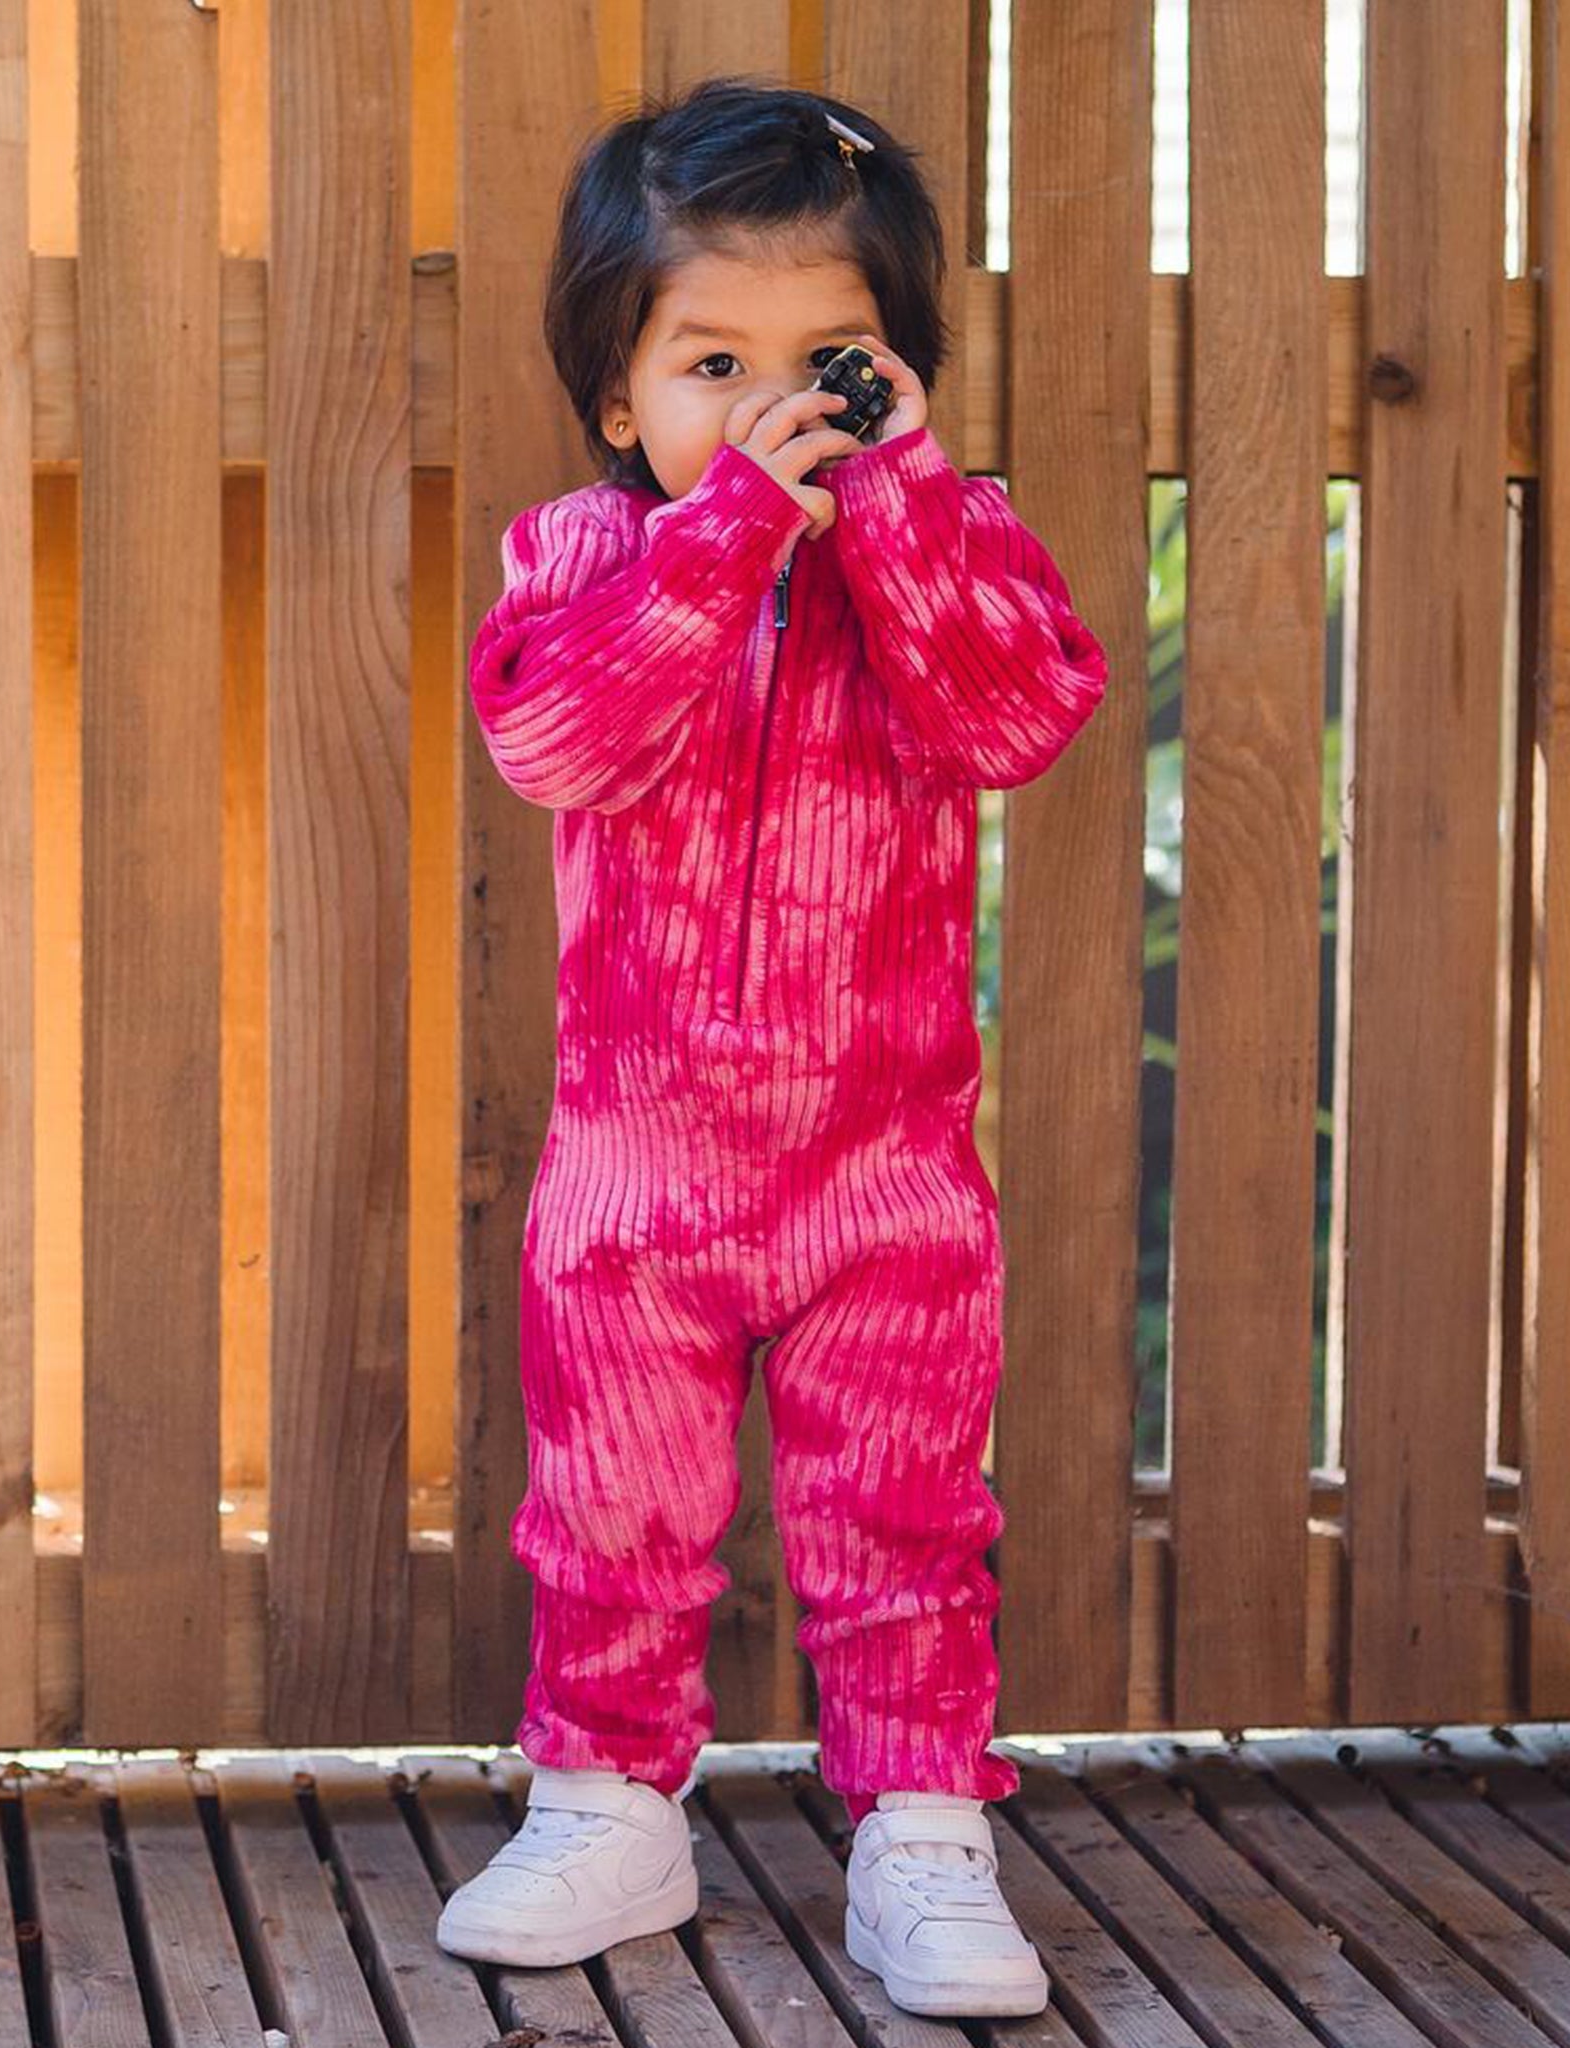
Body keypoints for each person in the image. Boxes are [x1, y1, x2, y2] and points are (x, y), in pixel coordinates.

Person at [436, 77, 1107, 2020]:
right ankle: (605, 1805)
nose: (771, 405)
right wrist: (728, 534)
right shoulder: (584, 555)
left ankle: (921, 1838)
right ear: (616, 394)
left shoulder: (946, 543)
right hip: (636, 1173)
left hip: (884, 1172)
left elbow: (1012, 716)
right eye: (711, 362)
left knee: (904, 1518)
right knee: (611, 1510)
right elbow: (556, 742)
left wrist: (899, 502)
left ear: (898, 372)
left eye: (829, 362)